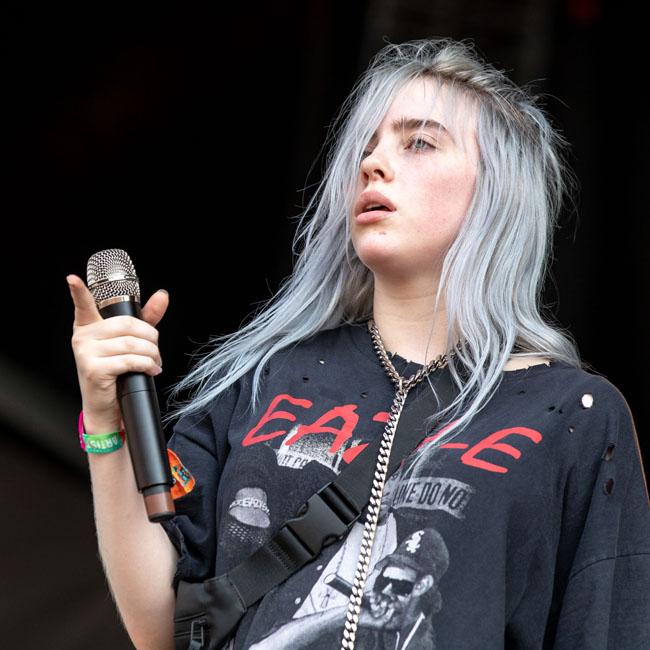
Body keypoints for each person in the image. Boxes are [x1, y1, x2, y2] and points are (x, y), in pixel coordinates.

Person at [68, 37, 650, 649]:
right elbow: (162, 627)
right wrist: (105, 425)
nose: (373, 164)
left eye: (418, 142)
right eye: (366, 148)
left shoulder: (570, 413)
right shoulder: (262, 380)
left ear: (496, 188)